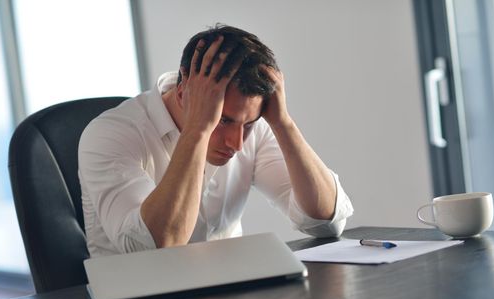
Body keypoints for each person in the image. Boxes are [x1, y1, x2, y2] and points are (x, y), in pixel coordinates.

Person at [78, 24, 354, 257]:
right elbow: (153, 248)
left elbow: (326, 223)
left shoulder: (251, 126)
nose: (237, 143)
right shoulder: (108, 134)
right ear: (183, 92)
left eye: (248, 124)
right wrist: (198, 129)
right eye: (223, 120)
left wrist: (283, 124)